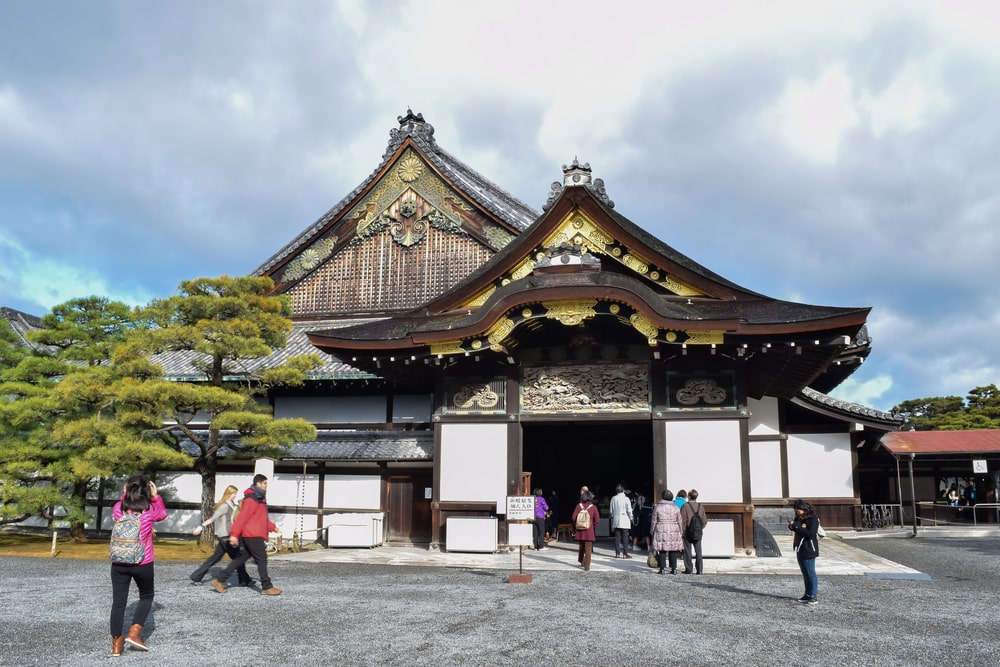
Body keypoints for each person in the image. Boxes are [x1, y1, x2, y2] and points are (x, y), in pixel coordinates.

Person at [109, 474, 168, 655]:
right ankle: (134, 633)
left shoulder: (119, 508)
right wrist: (156, 497)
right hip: (143, 562)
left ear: (127, 488)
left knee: (118, 603)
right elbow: (163, 514)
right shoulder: (149, 510)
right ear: (145, 490)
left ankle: (116, 645)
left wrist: (124, 494)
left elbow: (122, 506)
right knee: (147, 596)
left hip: (119, 562)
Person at [211, 474, 282, 596]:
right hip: (252, 535)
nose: (266, 486)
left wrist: (273, 527)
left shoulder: (259, 499)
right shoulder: (251, 499)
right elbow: (242, 518)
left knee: (241, 559)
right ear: (258, 484)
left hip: (253, 534)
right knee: (262, 559)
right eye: (265, 483)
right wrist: (234, 534)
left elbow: (261, 518)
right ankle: (267, 586)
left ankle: (220, 579)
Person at [189, 485, 253, 587]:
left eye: (235, 494)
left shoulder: (233, 505)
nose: (235, 496)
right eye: (233, 494)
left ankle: (196, 576)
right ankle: (245, 580)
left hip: (227, 536)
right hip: (226, 536)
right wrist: (201, 527)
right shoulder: (224, 506)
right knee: (238, 558)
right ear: (228, 493)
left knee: (215, 558)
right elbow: (213, 518)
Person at [788, 498, 820, 604]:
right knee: (805, 573)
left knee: (810, 572)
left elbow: (810, 534)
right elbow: (798, 529)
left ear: (804, 509)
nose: (797, 512)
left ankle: (813, 595)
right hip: (800, 547)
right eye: (796, 510)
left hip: (809, 548)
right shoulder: (799, 517)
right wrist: (792, 526)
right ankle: (807, 594)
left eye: (798, 510)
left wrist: (797, 526)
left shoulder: (813, 518)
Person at [650, 489, 683, 574]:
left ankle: (662, 569)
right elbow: (679, 520)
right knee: (673, 549)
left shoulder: (658, 507)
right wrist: (681, 530)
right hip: (674, 529)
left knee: (662, 549)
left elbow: (654, 520)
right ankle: (674, 569)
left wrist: (652, 530)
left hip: (661, 528)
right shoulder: (676, 507)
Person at [680, 489, 708, 575]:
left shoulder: (685, 506)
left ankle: (689, 569)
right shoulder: (700, 506)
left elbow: (683, 520)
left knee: (687, 551)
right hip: (698, 531)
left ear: (689, 496)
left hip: (687, 530)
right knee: (698, 551)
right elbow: (704, 520)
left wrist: (682, 530)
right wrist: (700, 528)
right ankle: (699, 569)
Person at [571, 490, 600, 571]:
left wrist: (577, 524)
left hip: (580, 530)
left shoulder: (578, 506)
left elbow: (573, 517)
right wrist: (592, 525)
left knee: (581, 546)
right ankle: (587, 565)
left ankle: (581, 561)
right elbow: (597, 520)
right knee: (588, 548)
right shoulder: (593, 507)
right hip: (589, 531)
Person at [609, 483, 633, 559]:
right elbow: (629, 510)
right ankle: (625, 554)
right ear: (623, 490)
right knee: (625, 537)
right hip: (625, 519)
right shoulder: (626, 499)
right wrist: (631, 518)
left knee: (617, 537)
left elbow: (611, 511)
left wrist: (614, 516)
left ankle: (617, 553)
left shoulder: (613, 498)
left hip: (616, 519)